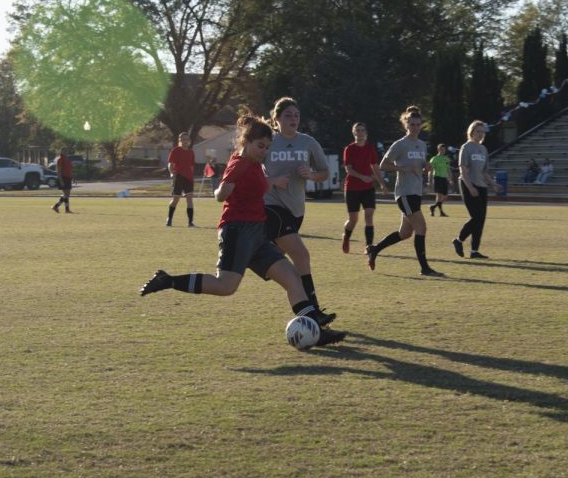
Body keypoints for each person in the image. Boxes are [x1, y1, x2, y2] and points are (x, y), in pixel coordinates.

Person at [140, 114, 345, 347]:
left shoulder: (255, 164)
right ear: (245, 143)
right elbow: (220, 195)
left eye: (267, 147)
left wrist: (271, 181)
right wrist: (225, 190)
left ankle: (315, 331)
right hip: (237, 230)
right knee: (225, 287)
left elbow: (256, 184)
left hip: (256, 232)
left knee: (292, 279)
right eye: (260, 146)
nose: (264, 151)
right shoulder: (239, 163)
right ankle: (168, 280)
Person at [263, 97, 335, 325]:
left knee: (278, 265)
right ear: (276, 118)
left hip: (296, 210)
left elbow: (325, 171)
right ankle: (313, 310)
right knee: (301, 255)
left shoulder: (308, 142)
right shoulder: (267, 141)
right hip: (271, 207)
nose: (293, 119)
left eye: (296, 115)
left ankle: (304, 307)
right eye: (288, 115)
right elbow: (250, 172)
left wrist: (312, 176)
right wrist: (273, 180)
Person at [367, 106, 443, 277]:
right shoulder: (400, 144)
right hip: (404, 193)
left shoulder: (422, 145)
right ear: (406, 125)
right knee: (421, 227)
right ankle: (425, 268)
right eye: (412, 124)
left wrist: (427, 167)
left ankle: (374, 249)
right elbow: (383, 165)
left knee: (405, 233)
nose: (415, 127)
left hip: (416, 192)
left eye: (418, 124)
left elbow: (422, 165)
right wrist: (402, 168)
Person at [453, 120, 497, 259]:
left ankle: (474, 251)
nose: (480, 134)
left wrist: (493, 184)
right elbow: (463, 170)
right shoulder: (466, 147)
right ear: (471, 132)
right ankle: (458, 240)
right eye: (477, 131)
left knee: (481, 219)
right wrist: (470, 187)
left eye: (482, 132)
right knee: (476, 217)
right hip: (468, 185)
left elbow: (484, 172)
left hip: (482, 186)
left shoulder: (483, 149)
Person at [342, 122, 387, 255]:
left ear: (366, 134)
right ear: (354, 133)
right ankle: (346, 237)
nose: (360, 133)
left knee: (369, 215)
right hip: (352, 188)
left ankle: (369, 246)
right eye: (358, 130)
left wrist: (382, 184)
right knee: (353, 220)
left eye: (362, 130)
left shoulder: (370, 148)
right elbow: (348, 169)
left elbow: (375, 167)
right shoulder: (349, 149)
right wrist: (362, 176)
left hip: (368, 188)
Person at [166, 132, 196, 227]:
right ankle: (169, 219)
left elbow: (191, 166)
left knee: (189, 199)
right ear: (180, 140)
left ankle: (190, 222)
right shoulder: (176, 150)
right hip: (179, 176)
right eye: (183, 139)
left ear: (189, 141)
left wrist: (192, 177)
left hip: (189, 178)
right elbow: (171, 164)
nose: (185, 141)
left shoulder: (191, 152)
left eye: (187, 139)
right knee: (176, 199)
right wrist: (171, 173)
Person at [428, 144, 451, 216]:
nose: (443, 151)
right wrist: (430, 181)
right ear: (438, 150)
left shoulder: (446, 159)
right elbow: (430, 171)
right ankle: (441, 212)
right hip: (437, 178)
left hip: (444, 179)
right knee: (439, 196)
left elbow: (448, 169)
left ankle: (433, 207)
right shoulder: (434, 159)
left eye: (444, 150)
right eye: (442, 149)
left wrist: (450, 178)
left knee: (445, 196)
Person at [51, 149, 73, 213]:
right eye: (64, 151)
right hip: (63, 178)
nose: (66, 152)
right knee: (66, 194)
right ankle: (65, 209)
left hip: (68, 178)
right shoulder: (60, 159)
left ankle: (57, 207)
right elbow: (58, 171)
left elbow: (69, 169)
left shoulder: (68, 159)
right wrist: (61, 180)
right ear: (61, 152)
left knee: (66, 194)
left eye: (66, 151)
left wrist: (72, 177)